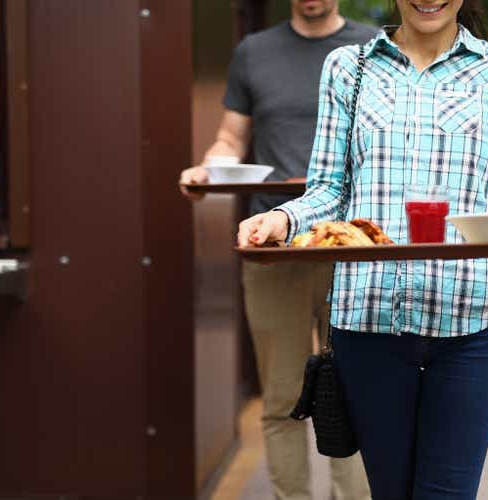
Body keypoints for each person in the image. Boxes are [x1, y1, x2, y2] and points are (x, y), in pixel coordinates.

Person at [237, 0, 488, 498]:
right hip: (369, 322)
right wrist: (280, 218)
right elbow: (328, 189)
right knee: (390, 491)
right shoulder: (348, 67)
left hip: (470, 323)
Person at [179, 1, 376, 499]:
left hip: (349, 246)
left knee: (355, 391)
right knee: (282, 395)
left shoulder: (372, 46)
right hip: (274, 245)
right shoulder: (254, 51)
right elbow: (230, 136)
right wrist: (209, 167)